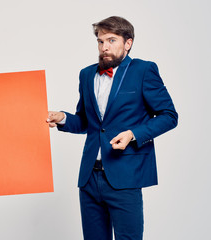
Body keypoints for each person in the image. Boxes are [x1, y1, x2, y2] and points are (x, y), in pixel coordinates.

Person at [47, 16, 178, 240]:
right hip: (89, 179)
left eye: (111, 40)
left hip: (125, 177)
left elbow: (169, 116)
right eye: (100, 41)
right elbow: (87, 123)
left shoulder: (144, 70)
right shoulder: (87, 74)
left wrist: (133, 135)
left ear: (128, 43)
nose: (104, 47)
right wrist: (62, 118)